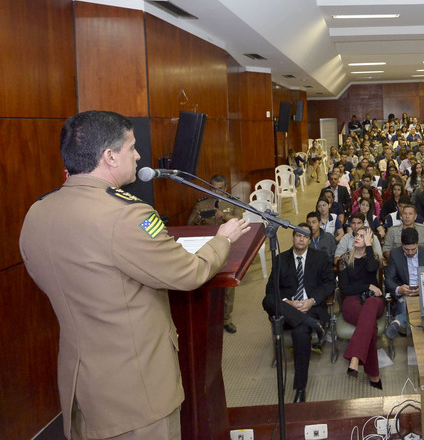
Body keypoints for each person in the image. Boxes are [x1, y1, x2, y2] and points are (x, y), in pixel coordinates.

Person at [19, 111, 252, 439]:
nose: (139, 155)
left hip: (82, 389)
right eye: (131, 147)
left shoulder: (37, 212)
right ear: (110, 156)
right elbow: (189, 272)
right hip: (138, 395)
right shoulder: (126, 215)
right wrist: (222, 239)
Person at [263, 224, 335, 403]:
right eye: (298, 235)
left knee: (300, 332)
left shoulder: (320, 257)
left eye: (305, 236)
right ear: (293, 237)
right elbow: (271, 289)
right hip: (289, 310)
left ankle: (300, 388)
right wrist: (288, 303)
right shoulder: (281, 259)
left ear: (310, 240)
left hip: (311, 309)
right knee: (267, 300)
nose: (301, 239)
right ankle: (310, 324)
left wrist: (312, 301)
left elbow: (329, 284)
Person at [187, 174, 244, 334]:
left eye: (219, 189)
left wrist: (223, 216)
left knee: (227, 286)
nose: (216, 192)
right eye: (213, 188)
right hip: (207, 248)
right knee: (206, 282)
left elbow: (239, 222)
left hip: (227, 247)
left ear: (225, 188)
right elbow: (189, 224)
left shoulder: (233, 202)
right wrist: (197, 219)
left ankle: (226, 319)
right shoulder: (202, 204)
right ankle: (208, 317)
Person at [338, 227, 385, 390]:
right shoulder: (344, 258)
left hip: (374, 300)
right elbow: (346, 289)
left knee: (370, 305)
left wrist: (369, 246)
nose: (357, 237)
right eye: (357, 235)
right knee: (370, 325)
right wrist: (367, 286)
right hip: (352, 301)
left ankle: (355, 357)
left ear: (369, 240)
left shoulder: (375, 257)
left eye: (363, 236)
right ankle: (373, 374)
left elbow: (371, 268)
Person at [384, 228, 424, 339]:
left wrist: (422, 288)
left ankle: (398, 322)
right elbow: (389, 279)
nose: (410, 253)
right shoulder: (395, 254)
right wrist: (399, 289)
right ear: (402, 245)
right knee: (404, 302)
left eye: (413, 249)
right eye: (406, 249)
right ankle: (412, 336)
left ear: (418, 243)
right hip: (405, 293)